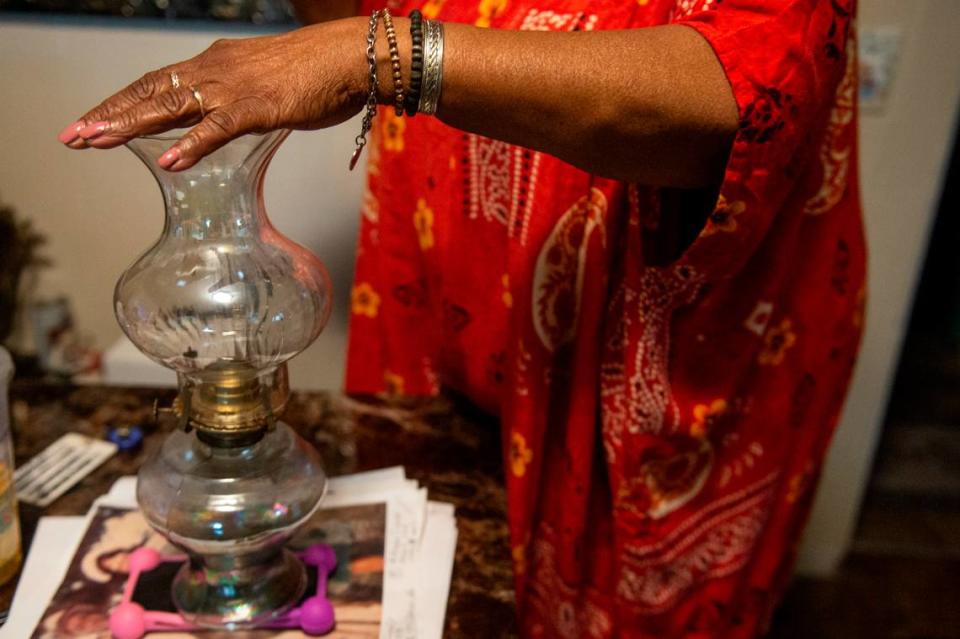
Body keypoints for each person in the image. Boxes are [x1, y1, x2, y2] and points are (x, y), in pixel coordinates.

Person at [58, 0, 865, 635]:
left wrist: (372, 55)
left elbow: (746, 89)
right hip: (449, 347)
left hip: (654, 387)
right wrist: (349, 40)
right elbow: (349, 12)